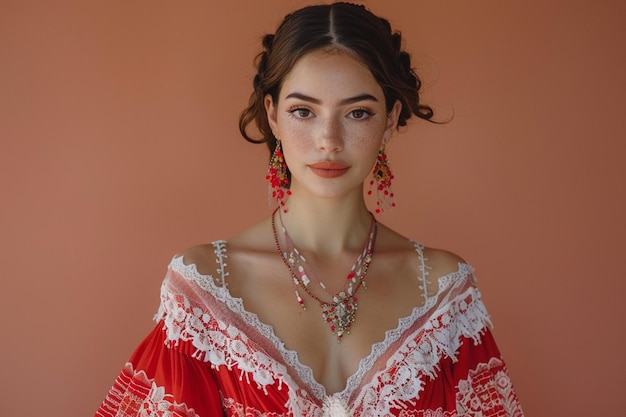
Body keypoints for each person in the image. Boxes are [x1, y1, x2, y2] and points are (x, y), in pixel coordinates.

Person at [95, 3, 523, 416]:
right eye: (303, 111)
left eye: (357, 113)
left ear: (390, 120)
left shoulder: (444, 292)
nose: (329, 140)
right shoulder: (206, 288)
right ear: (274, 116)